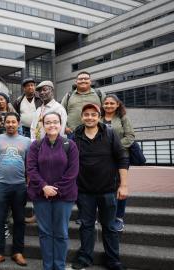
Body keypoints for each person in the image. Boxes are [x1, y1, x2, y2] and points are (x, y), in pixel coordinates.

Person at [71, 104, 129, 270]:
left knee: (110, 227)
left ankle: (113, 260)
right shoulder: (75, 136)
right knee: (86, 226)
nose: (90, 117)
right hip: (84, 191)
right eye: (86, 114)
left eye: (93, 114)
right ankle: (85, 257)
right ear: (82, 117)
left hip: (108, 190)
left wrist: (123, 185)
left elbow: (122, 159)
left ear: (99, 116)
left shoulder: (110, 134)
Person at [27, 112, 79, 270]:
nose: (52, 125)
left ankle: (60, 266)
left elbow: (73, 171)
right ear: (43, 125)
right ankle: (48, 266)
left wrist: (56, 189)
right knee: (45, 232)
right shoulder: (36, 145)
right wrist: (44, 186)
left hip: (64, 196)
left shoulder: (70, 145)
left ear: (61, 123)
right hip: (40, 195)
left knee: (61, 232)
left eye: (55, 122)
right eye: (48, 122)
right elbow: (31, 169)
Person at [0, 112, 31, 267]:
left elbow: (30, 164)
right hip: (0, 185)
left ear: (18, 123)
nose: (11, 124)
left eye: (14, 122)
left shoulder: (27, 141)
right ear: (3, 123)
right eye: (8, 122)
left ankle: (17, 252)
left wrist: (28, 183)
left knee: (19, 220)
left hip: (20, 186)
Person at [101, 94, 135, 232]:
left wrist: (114, 146)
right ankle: (106, 215)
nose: (108, 106)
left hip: (121, 158)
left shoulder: (123, 118)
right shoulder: (99, 118)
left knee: (120, 188)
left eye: (111, 103)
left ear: (117, 105)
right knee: (105, 187)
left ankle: (119, 217)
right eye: (106, 103)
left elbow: (130, 136)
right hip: (103, 159)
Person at [61, 71, 105, 138]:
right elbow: (61, 112)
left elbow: (107, 111)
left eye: (86, 79)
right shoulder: (68, 95)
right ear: (76, 82)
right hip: (73, 133)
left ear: (90, 81)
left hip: (96, 132)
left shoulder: (99, 94)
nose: (83, 81)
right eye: (80, 79)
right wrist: (65, 127)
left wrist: (103, 125)